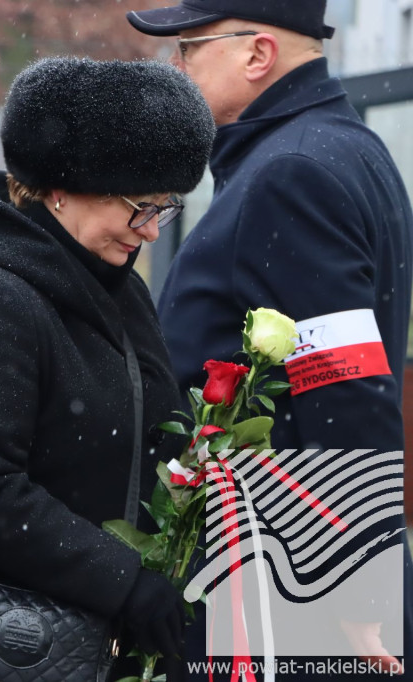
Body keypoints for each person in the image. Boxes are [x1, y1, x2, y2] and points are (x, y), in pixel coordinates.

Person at [0, 56, 216, 682]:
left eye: (164, 209)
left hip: (81, 633)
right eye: (139, 206)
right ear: (60, 187)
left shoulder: (113, 285)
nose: (149, 231)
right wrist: (123, 583)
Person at [127, 1, 413, 679]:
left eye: (191, 48)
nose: (178, 66)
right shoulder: (343, 147)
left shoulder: (290, 172)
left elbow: (344, 385)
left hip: (284, 588)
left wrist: (357, 588)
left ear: (258, 54)